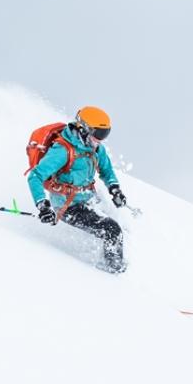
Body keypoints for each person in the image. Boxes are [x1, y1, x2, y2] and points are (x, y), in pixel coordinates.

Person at [27, 106, 128, 273]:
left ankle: (112, 262)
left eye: (105, 133)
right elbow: (35, 176)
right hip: (68, 207)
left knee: (122, 229)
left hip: (89, 199)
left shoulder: (95, 148)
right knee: (112, 230)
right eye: (99, 134)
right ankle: (114, 273)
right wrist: (43, 206)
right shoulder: (62, 151)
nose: (100, 140)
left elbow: (106, 170)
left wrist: (115, 189)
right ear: (83, 129)